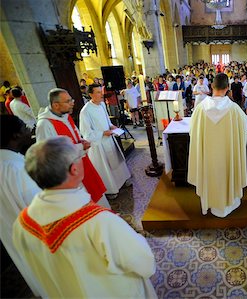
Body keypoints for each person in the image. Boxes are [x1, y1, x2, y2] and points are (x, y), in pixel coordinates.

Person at [13, 136, 157, 298]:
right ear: (74, 169)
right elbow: (143, 261)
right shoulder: (98, 222)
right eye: (78, 156)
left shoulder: (22, 222)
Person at [36, 88, 110, 208]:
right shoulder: (45, 125)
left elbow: (75, 134)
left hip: (82, 162)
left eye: (71, 99)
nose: (72, 103)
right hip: (68, 170)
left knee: (96, 193)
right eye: (68, 101)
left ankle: (105, 218)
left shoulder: (65, 116)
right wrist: (81, 146)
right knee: (83, 202)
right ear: (55, 105)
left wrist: (81, 141)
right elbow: (50, 154)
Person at [188, 73, 247, 217]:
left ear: (212, 86)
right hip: (228, 157)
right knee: (228, 171)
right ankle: (228, 204)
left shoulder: (201, 109)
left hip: (208, 158)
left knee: (209, 173)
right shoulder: (234, 110)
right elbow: (243, 134)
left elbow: (193, 134)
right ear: (227, 88)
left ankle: (209, 203)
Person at [0, 115, 44, 297]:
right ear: (15, 135)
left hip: (12, 237)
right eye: (25, 127)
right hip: (38, 240)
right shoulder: (18, 169)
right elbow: (41, 211)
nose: (29, 130)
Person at [80, 84, 132, 199]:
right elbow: (86, 133)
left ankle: (121, 181)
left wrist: (111, 126)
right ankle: (111, 190)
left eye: (100, 91)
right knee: (106, 168)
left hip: (109, 139)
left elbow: (106, 120)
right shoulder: (85, 111)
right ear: (90, 95)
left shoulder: (102, 104)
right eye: (98, 92)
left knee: (115, 162)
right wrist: (103, 133)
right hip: (98, 144)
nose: (101, 94)